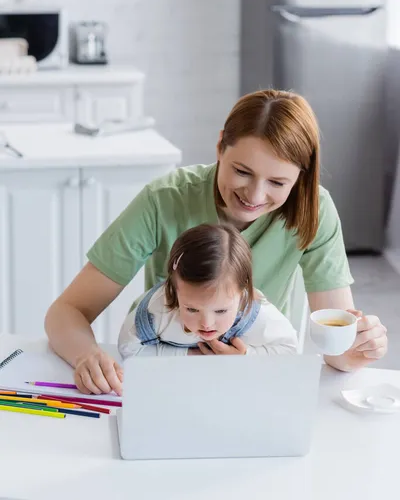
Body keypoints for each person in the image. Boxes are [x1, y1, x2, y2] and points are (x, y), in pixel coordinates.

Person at [45, 89, 388, 396]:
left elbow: (337, 350)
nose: (254, 195)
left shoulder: (315, 209)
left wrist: (360, 346)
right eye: (242, 171)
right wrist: (87, 356)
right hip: (168, 380)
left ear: (301, 176)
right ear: (220, 145)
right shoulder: (165, 199)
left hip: (259, 384)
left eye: (277, 182)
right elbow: (66, 312)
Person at [118, 223, 298, 358]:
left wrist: (244, 356)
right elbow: (128, 349)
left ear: (242, 291)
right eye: (192, 309)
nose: (206, 323)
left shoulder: (253, 312)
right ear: (172, 288)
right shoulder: (157, 311)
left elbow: (290, 350)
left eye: (221, 311)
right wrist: (190, 355)